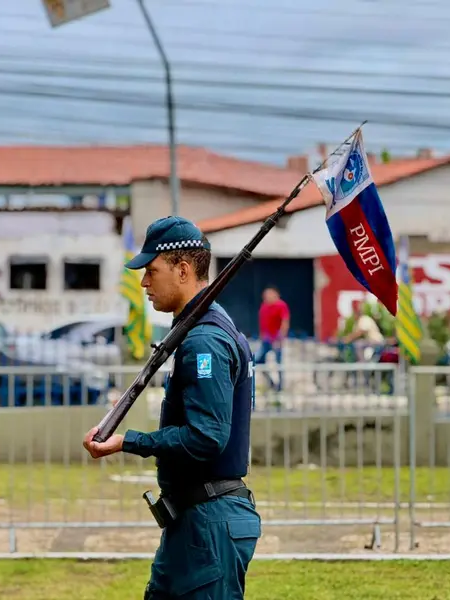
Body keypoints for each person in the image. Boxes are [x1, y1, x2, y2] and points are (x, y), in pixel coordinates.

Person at [83, 216, 261, 599]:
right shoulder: (205, 329)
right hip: (193, 522)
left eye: (151, 271)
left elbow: (207, 437)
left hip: (208, 525)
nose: (144, 283)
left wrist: (128, 441)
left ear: (182, 270)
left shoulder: (205, 341)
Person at [254, 286, 290, 392]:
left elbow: (285, 322)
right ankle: (271, 383)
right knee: (258, 361)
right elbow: (262, 323)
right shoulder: (264, 306)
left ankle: (280, 387)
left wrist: (280, 338)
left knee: (279, 363)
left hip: (276, 339)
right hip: (266, 339)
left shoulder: (281, 305)